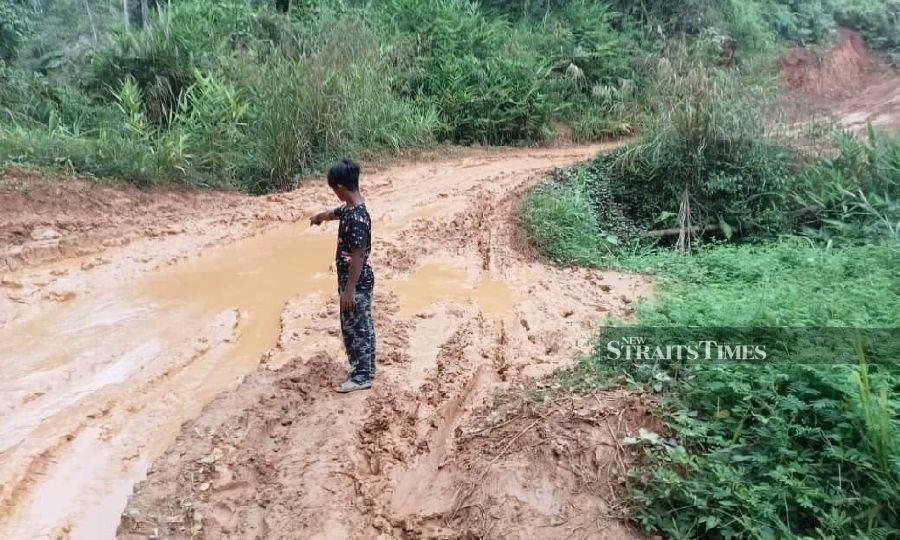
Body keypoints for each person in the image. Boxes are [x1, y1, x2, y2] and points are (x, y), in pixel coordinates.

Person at [310, 159, 376, 393]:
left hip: (355, 281)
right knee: (364, 323)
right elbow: (334, 213)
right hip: (360, 280)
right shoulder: (352, 208)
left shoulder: (357, 219)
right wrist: (319, 217)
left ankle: (360, 376)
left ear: (339, 188)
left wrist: (349, 290)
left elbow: (358, 256)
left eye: (333, 190)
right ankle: (367, 367)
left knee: (353, 328)